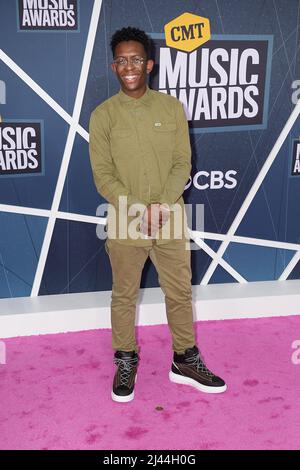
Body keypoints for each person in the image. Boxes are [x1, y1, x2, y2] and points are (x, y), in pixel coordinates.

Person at [89, 26, 226, 403]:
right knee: (123, 295)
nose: (129, 66)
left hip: (171, 218)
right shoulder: (102, 116)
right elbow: (103, 175)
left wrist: (162, 205)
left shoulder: (171, 108)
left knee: (180, 293)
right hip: (123, 220)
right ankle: (125, 359)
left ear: (148, 64)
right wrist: (137, 208)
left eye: (136, 59)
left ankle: (184, 359)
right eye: (122, 60)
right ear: (113, 65)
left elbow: (183, 162)